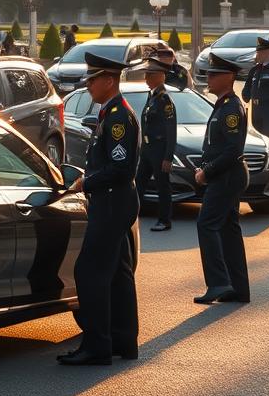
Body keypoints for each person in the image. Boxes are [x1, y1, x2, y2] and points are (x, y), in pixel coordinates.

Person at [59, 51, 140, 366]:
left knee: (89, 271)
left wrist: (86, 183)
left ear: (109, 80)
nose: (88, 86)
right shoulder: (112, 112)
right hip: (114, 200)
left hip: (110, 201)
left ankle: (96, 345)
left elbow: (120, 168)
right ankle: (123, 340)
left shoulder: (118, 117)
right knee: (118, 273)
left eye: (93, 80)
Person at [193, 52, 250, 305]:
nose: (209, 78)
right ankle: (237, 289)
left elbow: (233, 150)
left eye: (214, 74)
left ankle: (218, 282)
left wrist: (208, 171)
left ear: (229, 77)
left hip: (227, 176)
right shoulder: (223, 105)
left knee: (206, 224)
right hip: (227, 175)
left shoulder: (231, 109)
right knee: (228, 230)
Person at [140, 58, 179, 232]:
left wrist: (168, 157)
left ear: (160, 76)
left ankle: (164, 220)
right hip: (147, 150)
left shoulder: (164, 100)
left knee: (162, 186)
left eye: (149, 75)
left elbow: (171, 130)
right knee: (138, 183)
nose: (146, 78)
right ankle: (130, 215)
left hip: (159, 150)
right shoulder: (152, 96)